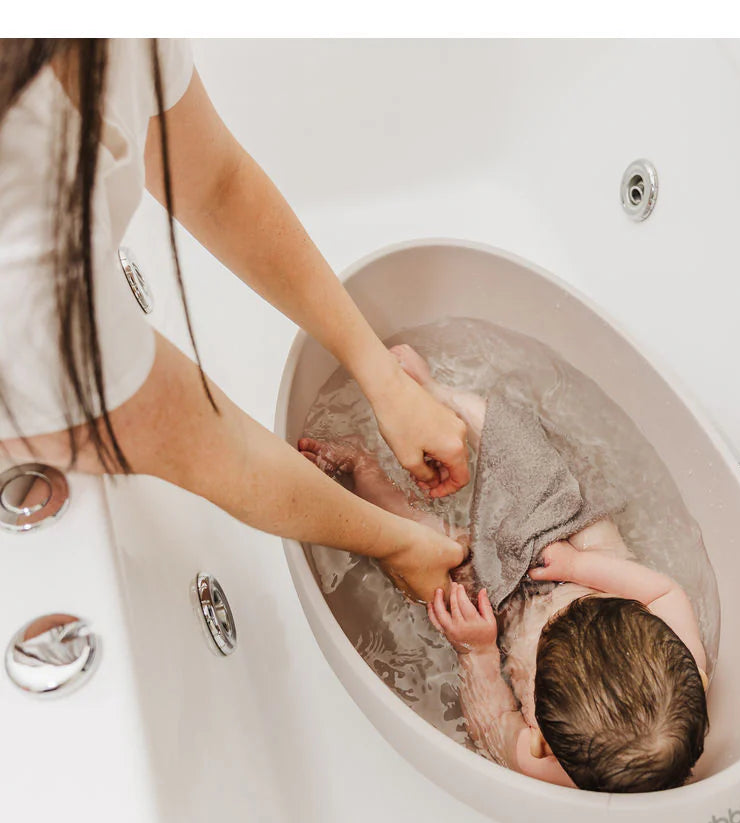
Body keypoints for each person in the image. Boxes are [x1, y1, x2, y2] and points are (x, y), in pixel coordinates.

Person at [0, 39, 468, 601]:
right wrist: (399, 543)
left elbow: (217, 184)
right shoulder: (22, 239)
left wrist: (386, 380)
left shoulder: (111, 35)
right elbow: (204, 445)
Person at [300, 344, 710, 793]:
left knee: (424, 554)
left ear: (542, 739)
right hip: (572, 548)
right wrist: (581, 565)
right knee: (529, 455)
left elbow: (491, 724)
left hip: (499, 611)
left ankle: (363, 466)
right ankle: (439, 396)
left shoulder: (545, 765)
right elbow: (665, 594)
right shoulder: (685, 683)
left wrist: (476, 650)